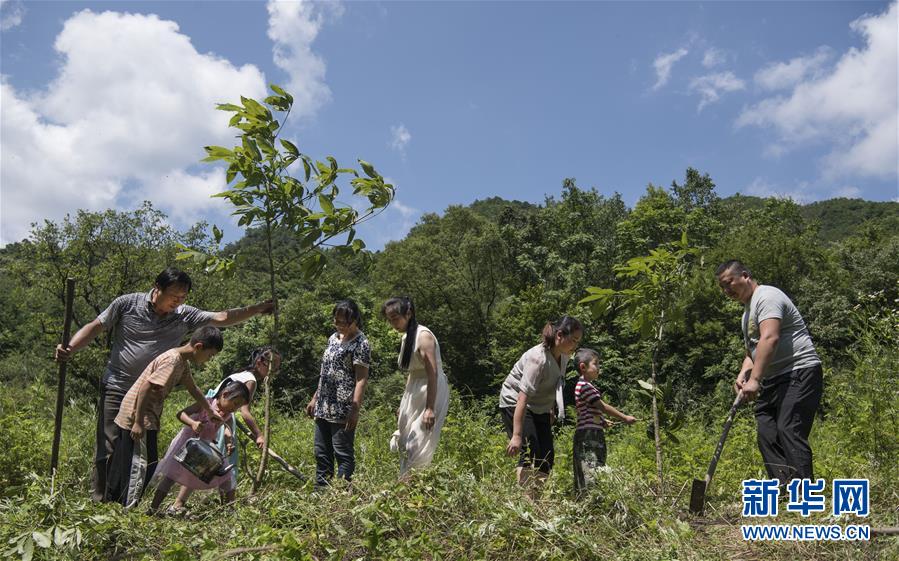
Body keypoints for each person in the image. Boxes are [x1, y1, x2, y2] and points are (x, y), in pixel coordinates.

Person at [54, 266, 275, 501]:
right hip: (118, 386)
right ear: (157, 288)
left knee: (142, 453)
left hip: (152, 399)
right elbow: (96, 326)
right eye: (174, 296)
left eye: (183, 297)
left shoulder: (183, 316)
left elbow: (221, 318)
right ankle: (100, 501)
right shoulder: (127, 304)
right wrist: (70, 347)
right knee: (110, 446)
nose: (178, 302)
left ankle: (122, 502)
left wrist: (258, 309)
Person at [716, 260, 823, 484]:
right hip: (775, 378)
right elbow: (753, 351)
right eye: (722, 288)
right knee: (767, 432)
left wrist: (755, 379)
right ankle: (784, 488)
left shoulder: (767, 297)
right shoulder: (747, 313)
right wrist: (744, 373)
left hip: (799, 371)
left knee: (788, 428)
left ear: (744, 275)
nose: (727, 291)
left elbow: (770, 338)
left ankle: (806, 494)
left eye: (729, 284)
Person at [105, 326, 224, 508]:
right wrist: (138, 422)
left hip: (143, 415)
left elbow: (193, 388)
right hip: (139, 417)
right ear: (198, 346)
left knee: (130, 460)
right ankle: (126, 507)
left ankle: (113, 503)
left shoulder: (182, 362)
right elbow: (146, 387)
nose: (209, 360)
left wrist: (209, 410)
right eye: (210, 355)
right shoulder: (173, 361)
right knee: (143, 465)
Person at [172, 346, 282, 509]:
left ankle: (179, 504)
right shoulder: (250, 380)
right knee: (225, 465)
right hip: (218, 421)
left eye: (277, 368)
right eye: (272, 366)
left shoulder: (242, 375)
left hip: (210, 417)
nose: (274, 370)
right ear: (260, 362)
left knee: (201, 464)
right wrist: (259, 434)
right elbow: (244, 412)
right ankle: (228, 507)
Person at [500, 316, 582, 497]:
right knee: (529, 452)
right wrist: (516, 435)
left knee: (546, 456)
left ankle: (534, 498)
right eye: (574, 340)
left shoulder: (564, 356)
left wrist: (551, 408)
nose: (575, 345)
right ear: (559, 335)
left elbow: (554, 383)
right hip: (516, 402)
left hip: (540, 407)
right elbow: (522, 397)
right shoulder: (538, 359)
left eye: (578, 341)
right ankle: (524, 504)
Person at [150, 380, 251, 514]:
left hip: (206, 448)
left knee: (226, 475)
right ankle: (153, 508)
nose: (235, 408)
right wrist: (192, 423)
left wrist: (229, 442)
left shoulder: (227, 414)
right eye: (235, 403)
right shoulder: (206, 403)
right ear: (225, 394)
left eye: (238, 407)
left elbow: (227, 429)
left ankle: (229, 509)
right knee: (170, 476)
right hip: (187, 445)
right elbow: (181, 413)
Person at [382, 297, 450, 478]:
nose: (393, 323)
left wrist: (430, 408)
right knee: (404, 441)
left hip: (430, 391)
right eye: (390, 320)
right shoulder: (407, 337)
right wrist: (404, 403)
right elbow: (412, 372)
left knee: (417, 444)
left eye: (396, 318)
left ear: (409, 313)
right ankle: (407, 486)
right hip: (415, 391)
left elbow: (433, 373)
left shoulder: (424, 336)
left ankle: (412, 486)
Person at [305, 300, 371, 487]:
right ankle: (321, 491)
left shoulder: (361, 343)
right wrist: (315, 398)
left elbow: (361, 379)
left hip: (343, 407)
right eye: (337, 321)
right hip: (323, 404)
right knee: (321, 451)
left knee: (342, 452)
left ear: (354, 320)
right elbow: (326, 371)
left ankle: (341, 494)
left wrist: (355, 409)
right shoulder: (333, 338)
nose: (340, 326)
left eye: (344, 322)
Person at [571, 348, 636, 498]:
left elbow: (590, 410)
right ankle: (587, 501)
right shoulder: (585, 386)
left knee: (595, 466)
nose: (599, 367)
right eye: (596, 364)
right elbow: (602, 406)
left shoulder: (587, 386)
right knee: (589, 467)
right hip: (588, 435)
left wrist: (601, 421)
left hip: (592, 431)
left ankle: (589, 500)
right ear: (583, 367)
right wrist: (624, 417)